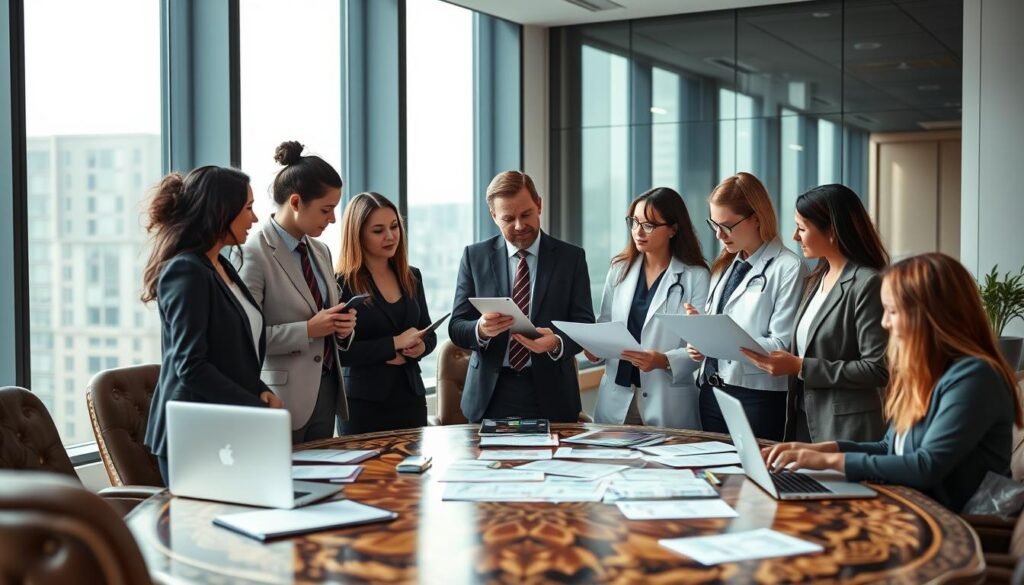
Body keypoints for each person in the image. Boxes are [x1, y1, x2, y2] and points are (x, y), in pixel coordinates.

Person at [763, 253, 1022, 512]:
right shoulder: (927, 371)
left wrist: (831, 461)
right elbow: (890, 447)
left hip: (956, 527)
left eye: (893, 311)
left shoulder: (975, 378)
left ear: (932, 316)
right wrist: (821, 450)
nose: (885, 323)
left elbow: (926, 467)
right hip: (913, 511)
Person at [141, 166, 283, 484]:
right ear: (222, 211)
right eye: (247, 208)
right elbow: (190, 366)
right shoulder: (186, 271)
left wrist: (260, 390)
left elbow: (231, 353)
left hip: (221, 426)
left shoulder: (222, 265)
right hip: (193, 431)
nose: (255, 218)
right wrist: (254, 408)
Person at [741, 184, 889, 443]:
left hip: (845, 428)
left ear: (831, 230)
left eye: (802, 228)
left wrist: (800, 366)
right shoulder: (817, 277)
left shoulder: (867, 283)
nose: (795, 237)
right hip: (803, 419)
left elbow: (876, 369)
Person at [450, 170, 594, 422]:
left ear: (539, 205)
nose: (519, 226)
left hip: (553, 394)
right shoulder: (475, 257)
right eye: (508, 218)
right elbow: (457, 326)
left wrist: (557, 342)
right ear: (494, 216)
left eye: (526, 214)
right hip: (489, 395)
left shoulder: (571, 258)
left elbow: (584, 325)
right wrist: (481, 330)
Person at [237, 141, 355, 443]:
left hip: (326, 393)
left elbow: (327, 319)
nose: (332, 219)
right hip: (281, 397)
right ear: (295, 202)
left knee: (326, 483)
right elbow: (245, 338)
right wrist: (308, 330)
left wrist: (342, 328)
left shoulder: (321, 251)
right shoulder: (254, 253)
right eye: (326, 210)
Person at [685, 172, 805, 441]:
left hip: (756, 396)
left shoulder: (788, 267)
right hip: (711, 392)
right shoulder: (724, 265)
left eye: (726, 226)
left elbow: (781, 345)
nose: (718, 235)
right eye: (714, 225)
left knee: (755, 478)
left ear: (757, 218)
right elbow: (719, 326)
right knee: (716, 477)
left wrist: (720, 341)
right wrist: (700, 339)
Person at [588, 187, 710, 429]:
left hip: (667, 401)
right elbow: (605, 325)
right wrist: (594, 349)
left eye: (649, 225)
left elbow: (702, 347)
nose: (638, 231)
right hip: (616, 398)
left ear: (673, 229)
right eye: (634, 222)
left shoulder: (696, 275)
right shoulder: (619, 269)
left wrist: (664, 360)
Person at [335, 192, 436, 433]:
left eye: (394, 227)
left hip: (410, 397)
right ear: (357, 235)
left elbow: (428, 333)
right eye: (378, 231)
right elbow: (339, 354)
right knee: (366, 471)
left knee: (413, 470)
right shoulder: (341, 283)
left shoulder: (412, 276)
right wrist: (393, 344)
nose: (390, 236)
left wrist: (421, 347)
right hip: (362, 403)